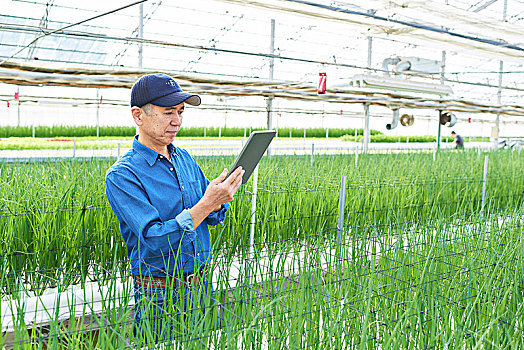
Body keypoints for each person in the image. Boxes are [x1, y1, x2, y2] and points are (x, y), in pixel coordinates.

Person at [105, 73, 244, 343]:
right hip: (159, 293)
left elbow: (213, 216)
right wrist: (205, 205)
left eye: (180, 112)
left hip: (202, 285)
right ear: (138, 115)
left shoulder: (185, 159)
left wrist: (218, 201)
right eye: (168, 112)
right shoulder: (122, 176)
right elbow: (154, 239)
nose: (177, 121)